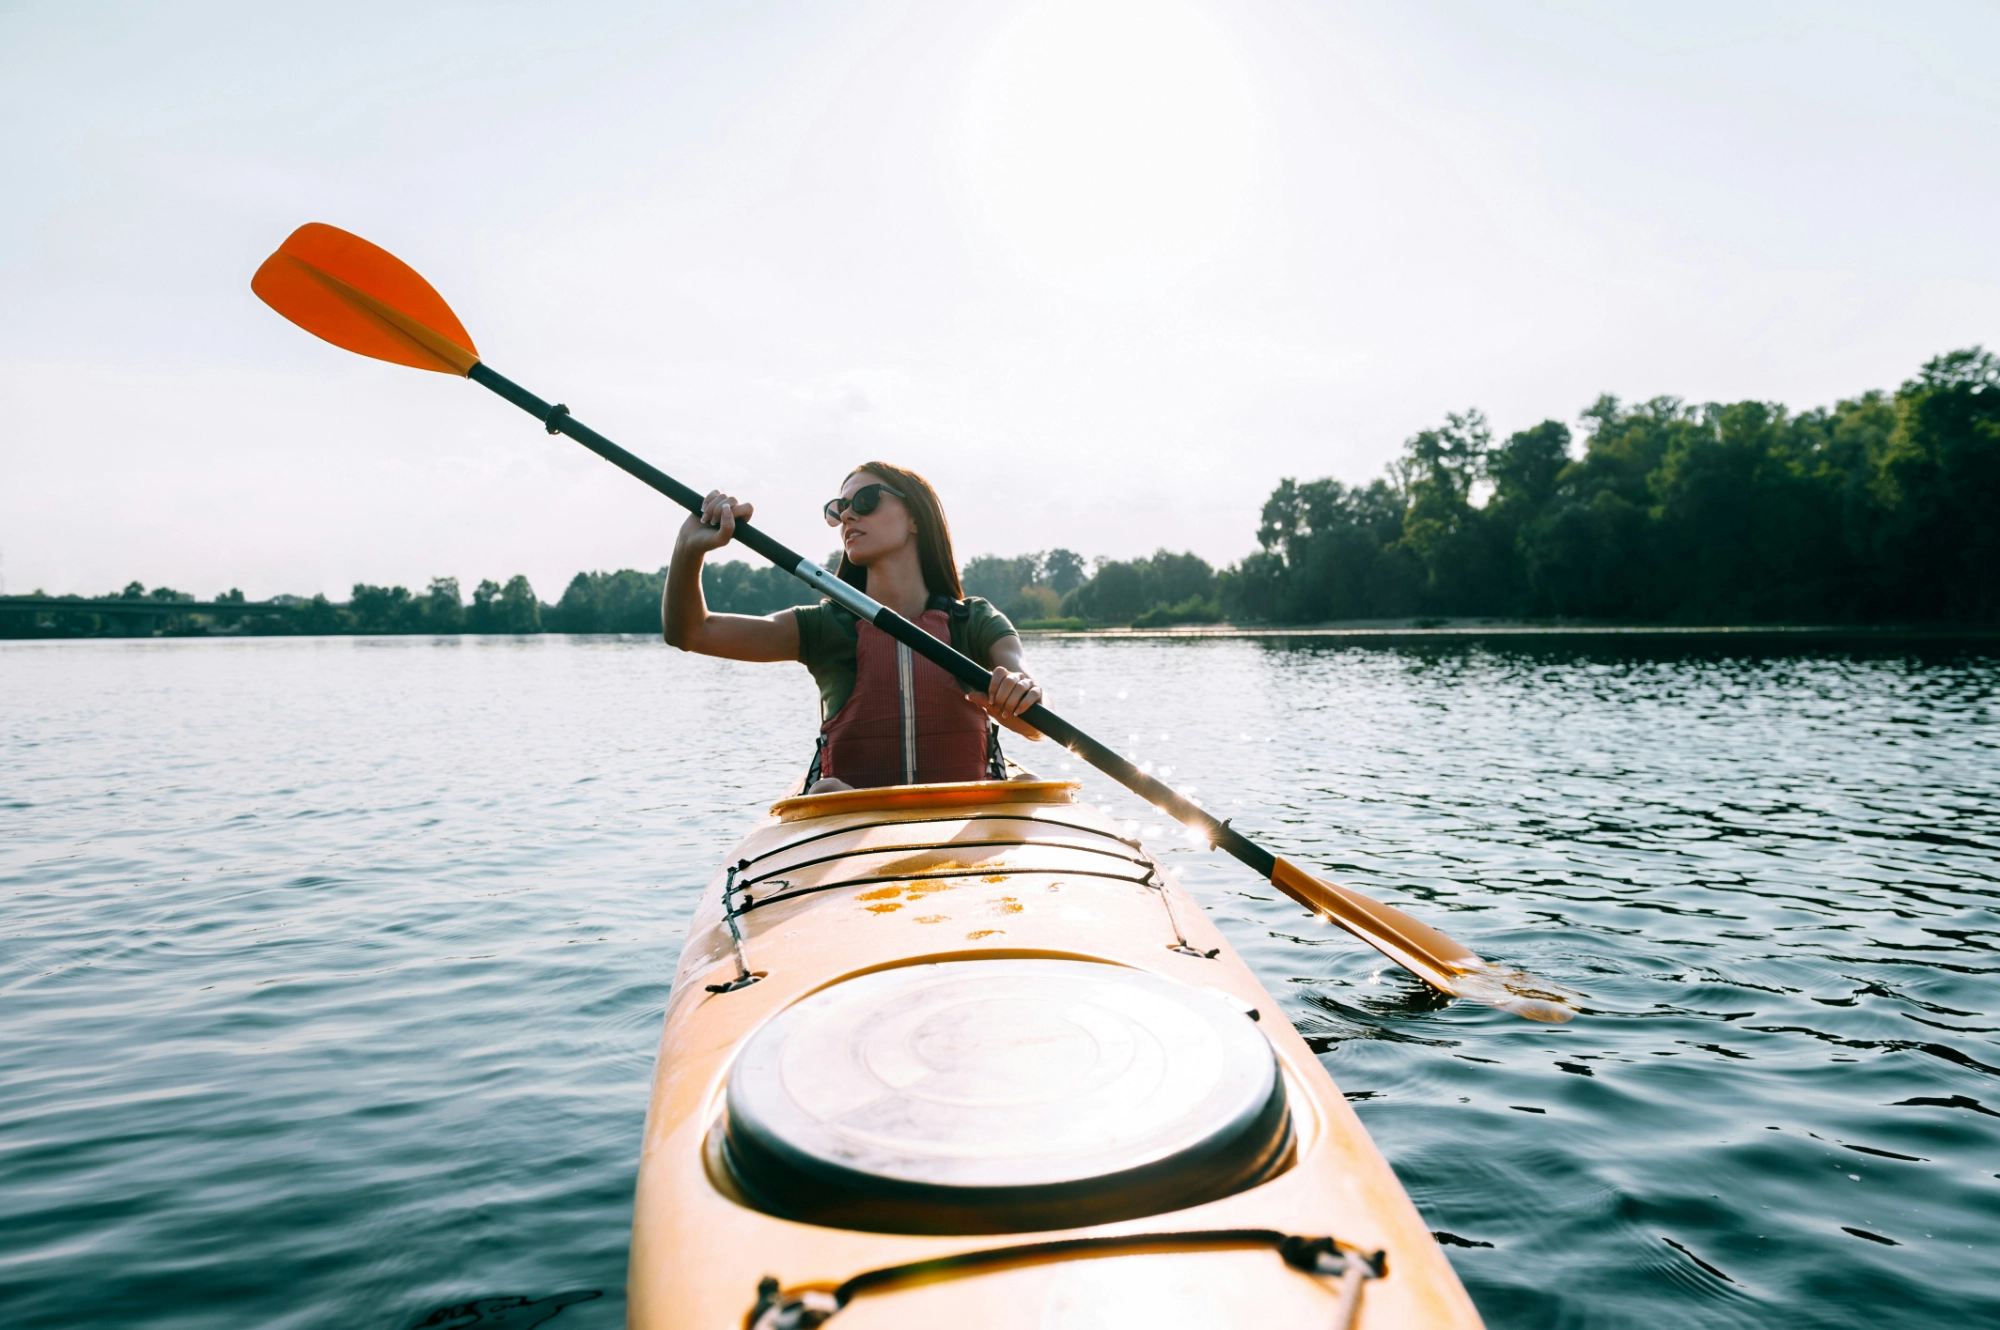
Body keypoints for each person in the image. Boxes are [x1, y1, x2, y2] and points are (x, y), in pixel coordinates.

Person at [662, 461, 1044, 793]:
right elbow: (692, 632)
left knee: (1029, 788)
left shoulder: (973, 621)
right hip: (853, 824)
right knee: (826, 789)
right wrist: (688, 548)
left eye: (866, 501)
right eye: (839, 509)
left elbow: (1037, 718)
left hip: (966, 813)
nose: (847, 516)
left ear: (916, 517)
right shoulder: (824, 626)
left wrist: (1022, 696)